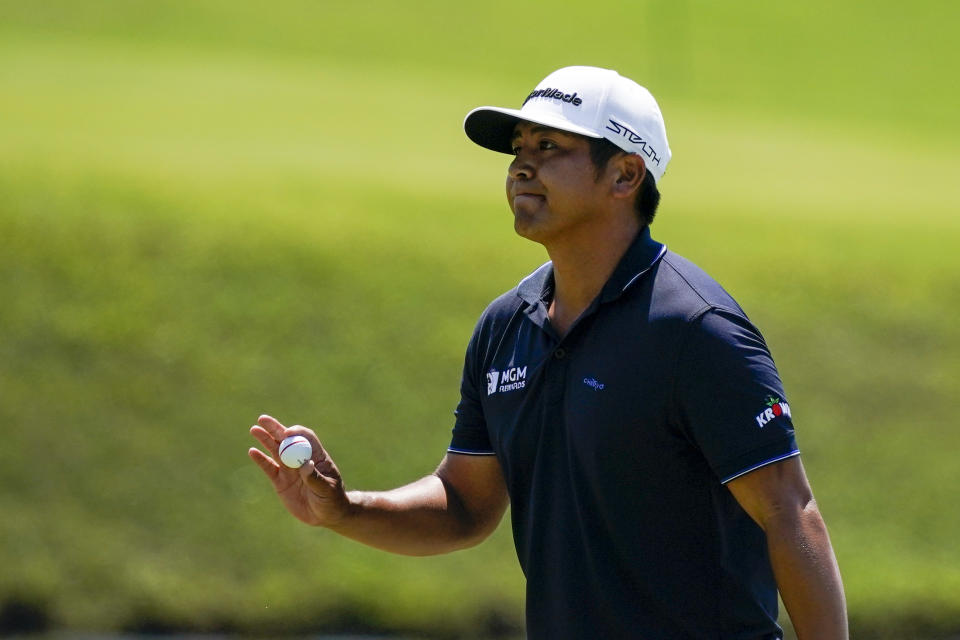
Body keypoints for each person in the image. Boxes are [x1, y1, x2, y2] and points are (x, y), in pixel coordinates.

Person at [249, 65, 848, 639]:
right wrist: (347, 510)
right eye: (518, 150)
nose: (520, 169)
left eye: (549, 149)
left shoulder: (696, 330)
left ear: (624, 176)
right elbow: (464, 504)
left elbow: (788, 514)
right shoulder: (505, 326)